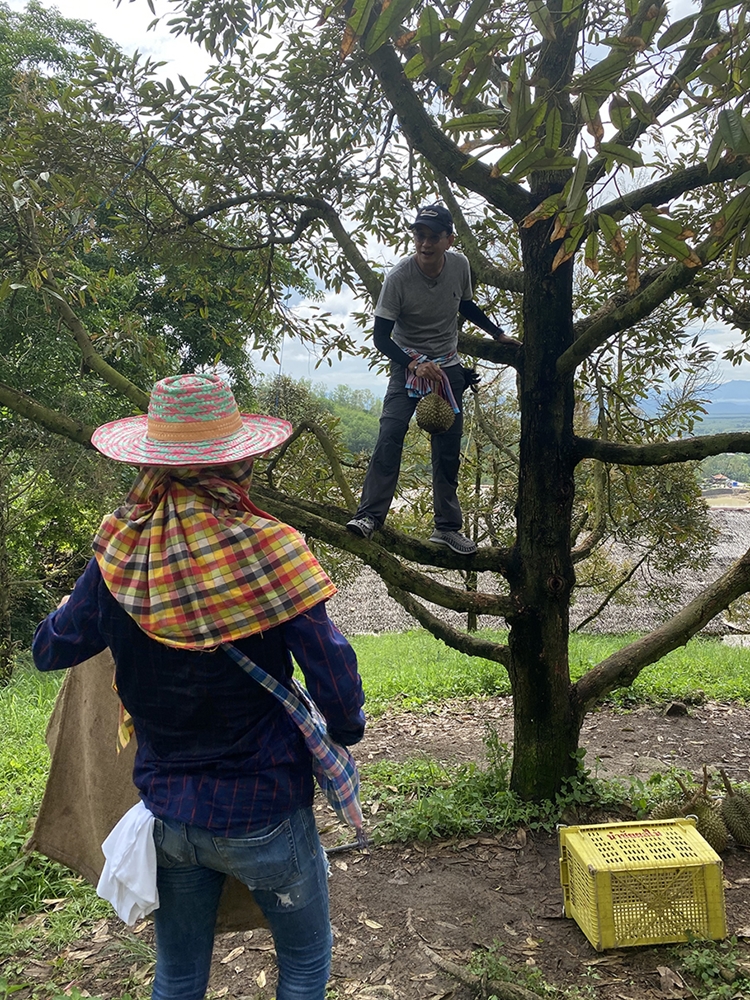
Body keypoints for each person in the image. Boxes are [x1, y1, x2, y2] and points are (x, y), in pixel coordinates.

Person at [32, 373, 366, 1000]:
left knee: (180, 974)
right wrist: (344, 732)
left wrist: (100, 582)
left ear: (152, 465)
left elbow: (51, 649)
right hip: (263, 807)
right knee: (303, 961)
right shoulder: (272, 549)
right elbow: (333, 674)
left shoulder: (121, 558)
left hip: (170, 816)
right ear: (240, 459)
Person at [346, 203, 514, 555]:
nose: (425, 243)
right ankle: (369, 517)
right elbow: (380, 339)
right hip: (407, 364)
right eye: (419, 235)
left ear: (448, 239)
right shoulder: (399, 279)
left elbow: (463, 304)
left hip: (448, 365)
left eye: (433, 237)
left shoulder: (460, 266)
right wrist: (413, 363)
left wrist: (498, 334)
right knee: (390, 436)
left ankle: (447, 528)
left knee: (448, 448)